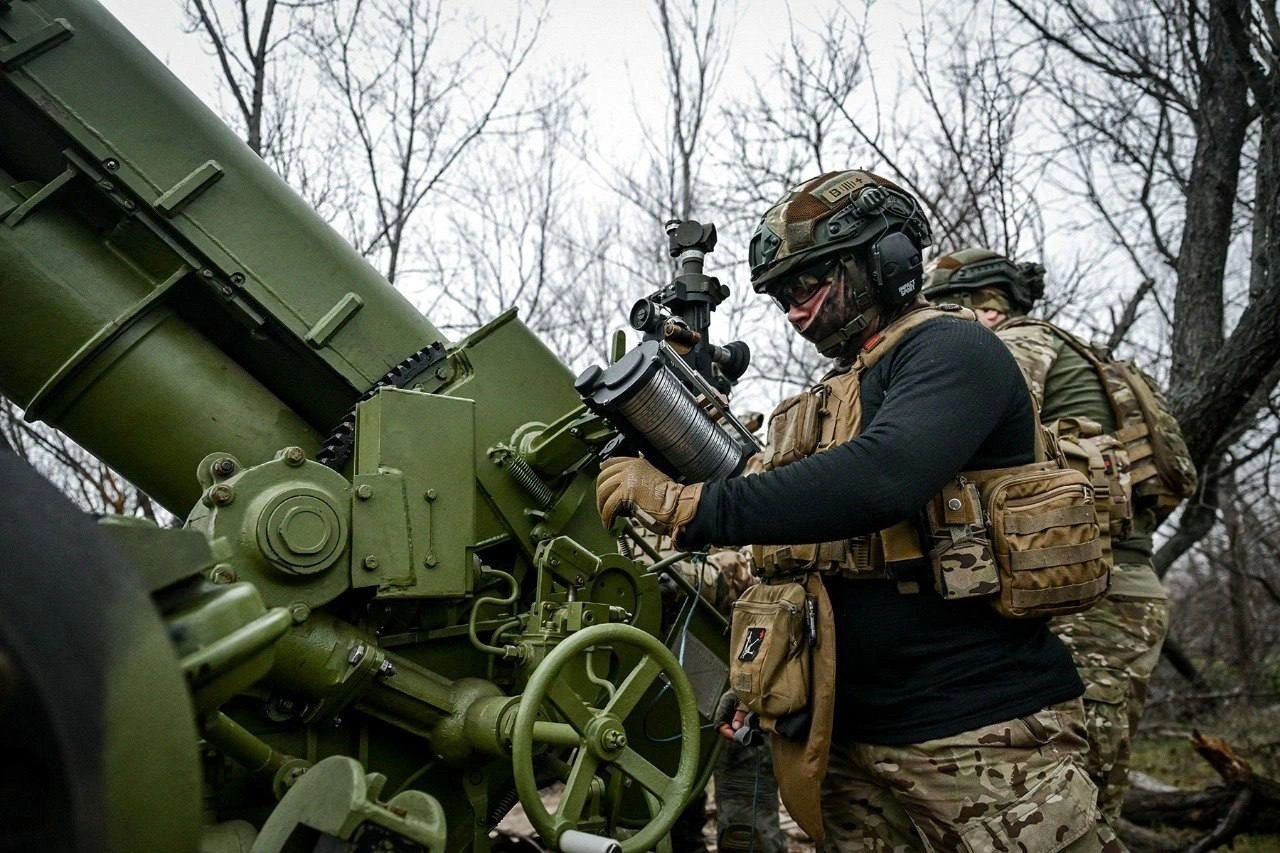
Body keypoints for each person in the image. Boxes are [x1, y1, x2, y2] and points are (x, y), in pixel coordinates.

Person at [596, 171, 1123, 851]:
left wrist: (686, 504)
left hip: (981, 737)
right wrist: (764, 677)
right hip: (849, 742)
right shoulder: (839, 390)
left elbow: (882, 478)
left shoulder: (953, 350)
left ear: (886, 261)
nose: (794, 312)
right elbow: (797, 547)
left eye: (806, 285)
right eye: (782, 296)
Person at [924, 248, 1172, 824]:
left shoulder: (1021, 344)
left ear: (985, 308)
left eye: (946, 313)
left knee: (1071, 800)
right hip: (1105, 589)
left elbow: (963, 428)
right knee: (1075, 789)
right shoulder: (1083, 354)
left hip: (1088, 597)